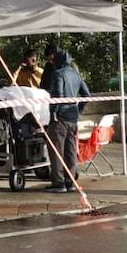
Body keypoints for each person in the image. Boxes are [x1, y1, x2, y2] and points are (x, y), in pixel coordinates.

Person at [40, 49, 90, 193]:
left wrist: (53, 113)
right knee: (71, 151)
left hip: (60, 118)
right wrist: (78, 110)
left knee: (56, 150)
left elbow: (58, 95)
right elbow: (86, 94)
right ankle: (71, 181)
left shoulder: (57, 74)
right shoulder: (76, 74)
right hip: (73, 117)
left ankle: (58, 183)